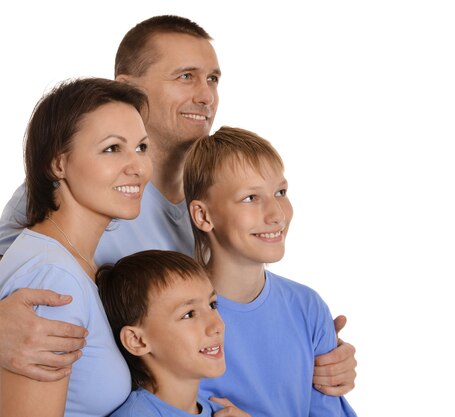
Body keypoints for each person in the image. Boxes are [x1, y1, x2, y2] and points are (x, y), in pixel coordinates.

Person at [0, 14, 356, 394]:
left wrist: (311, 352)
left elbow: (217, 316)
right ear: (127, 89)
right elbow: (22, 278)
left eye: (213, 79)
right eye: (185, 76)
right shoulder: (74, 191)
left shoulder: (217, 201)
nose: (205, 95)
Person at [0, 77, 152, 416]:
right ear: (58, 164)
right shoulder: (53, 280)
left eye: (141, 147)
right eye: (112, 148)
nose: (138, 167)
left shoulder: (71, 262)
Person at [184, 126, 357, 416]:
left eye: (280, 192)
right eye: (251, 197)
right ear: (203, 215)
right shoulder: (180, 318)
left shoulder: (307, 306)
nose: (277, 214)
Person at [97, 250, 249, 417]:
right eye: (189, 314)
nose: (217, 325)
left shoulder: (222, 412)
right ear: (137, 340)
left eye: (212, 305)